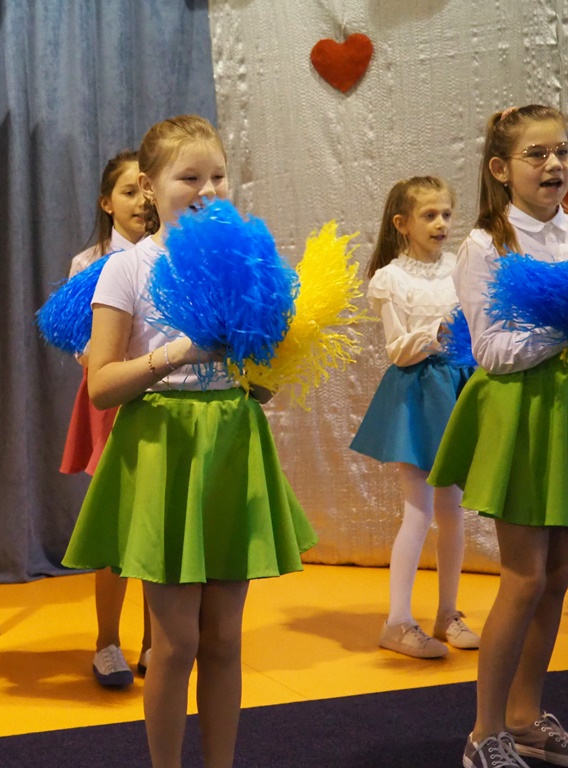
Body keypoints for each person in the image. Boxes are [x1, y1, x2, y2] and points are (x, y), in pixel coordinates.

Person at [62, 115, 316, 768]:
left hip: (232, 445)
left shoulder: (245, 263)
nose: (207, 189)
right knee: (174, 645)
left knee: (225, 641)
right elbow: (101, 386)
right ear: (149, 185)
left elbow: (264, 381)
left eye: (218, 176)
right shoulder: (126, 269)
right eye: (189, 177)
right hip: (164, 450)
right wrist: (174, 353)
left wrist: (264, 369)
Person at [428, 105, 568, 768]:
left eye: (562, 151)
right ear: (500, 169)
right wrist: (562, 329)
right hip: (521, 416)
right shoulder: (486, 245)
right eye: (537, 154)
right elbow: (491, 351)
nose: (554, 164)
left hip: (562, 412)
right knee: (523, 575)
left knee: (557, 574)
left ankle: (524, 715)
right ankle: (484, 733)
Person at [349, 176, 479, 659]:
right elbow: (397, 351)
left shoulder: (460, 268)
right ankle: (398, 621)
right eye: (430, 215)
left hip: (457, 391)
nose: (441, 223)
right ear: (402, 224)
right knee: (419, 510)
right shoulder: (391, 279)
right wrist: (435, 330)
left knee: (453, 510)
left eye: (446, 213)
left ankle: (448, 614)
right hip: (418, 396)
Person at [59, 149, 151, 686]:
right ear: (106, 202)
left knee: (158, 524)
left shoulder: (175, 256)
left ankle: (155, 640)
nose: (140, 201)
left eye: (145, 190)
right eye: (127, 191)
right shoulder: (89, 263)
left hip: (163, 399)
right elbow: (84, 348)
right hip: (112, 402)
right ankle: (107, 643)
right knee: (118, 526)